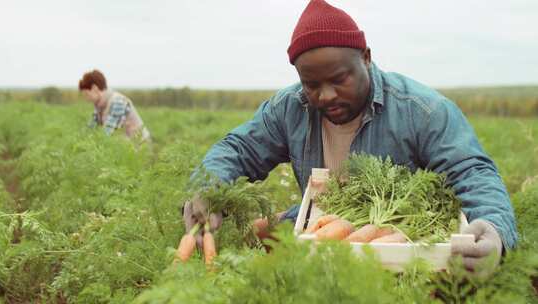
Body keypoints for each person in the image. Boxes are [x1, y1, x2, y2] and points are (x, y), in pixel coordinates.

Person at [183, 0, 517, 271]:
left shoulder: (423, 110)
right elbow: (238, 148)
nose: (325, 95)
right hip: (320, 227)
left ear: (366, 58)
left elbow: (472, 172)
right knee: (258, 238)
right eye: (311, 84)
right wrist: (207, 190)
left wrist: (494, 231)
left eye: (339, 79)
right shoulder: (290, 108)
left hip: (407, 241)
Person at [78, 69, 151, 142]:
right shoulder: (99, 106)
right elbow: (90, 129)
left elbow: (107, 133)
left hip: (139, 148)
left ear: (95, 88)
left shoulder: (118, 102)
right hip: (124, 147)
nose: (86, 99)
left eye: (87, 94)